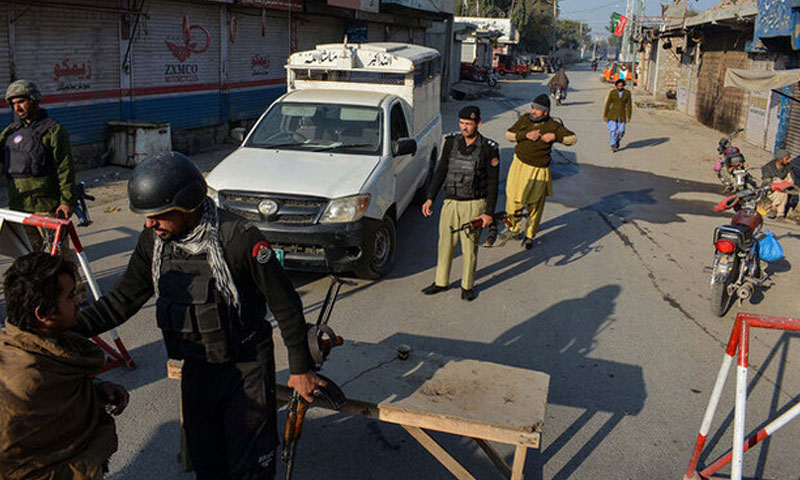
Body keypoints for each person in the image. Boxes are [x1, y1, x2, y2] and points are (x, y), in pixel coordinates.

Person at [73, 152, 324, 480]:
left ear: (188, 203)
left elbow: (285, 304)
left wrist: (300, 367)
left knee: (249, 469)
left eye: (159, 215)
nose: (149, 224)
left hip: (245, 369)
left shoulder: (238, 238)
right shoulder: (156, 241)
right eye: (147, 216)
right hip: (197, 370)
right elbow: (121, 300)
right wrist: (63, 328)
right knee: (207, 465)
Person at [0, 252, 129, 480]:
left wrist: (97, 390)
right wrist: (84, 467)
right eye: (70, 297)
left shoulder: (50, 347)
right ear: (43, 314)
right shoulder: (24, 384)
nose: (79, 301)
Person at [421, 106, 500, 301]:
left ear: (478, 124)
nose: (464, 128)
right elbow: (441, 171)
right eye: (462, 123)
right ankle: (441, 281)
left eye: (469, 124)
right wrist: (430, 197)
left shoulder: (489, 148)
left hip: (474, 204)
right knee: (445, 244)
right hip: (451, 202)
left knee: (469, 247)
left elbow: (492, 183)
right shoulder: (451, 143)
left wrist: (488, 213)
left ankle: (467, 285)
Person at [0, 80, 77, 250]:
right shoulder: (10, 132)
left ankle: (72, 278)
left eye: (21, 102)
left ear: (34, 100)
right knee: (32, 255)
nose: (17, 108)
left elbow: (65, 168)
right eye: (13, 104)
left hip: (47, 207)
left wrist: (66, 201)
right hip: (19, 206)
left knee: (59, 256)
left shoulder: (54, 131)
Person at [504, 94, 577, 249]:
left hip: (539, 170)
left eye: (537, 109)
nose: (533, 111)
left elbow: (572, 138)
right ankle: (513, 229)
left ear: (545, 112)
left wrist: (555, 136)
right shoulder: (524, 119)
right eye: (533, 107)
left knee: (535, 205)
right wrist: (525, 135)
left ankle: (529, 235)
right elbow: (509, 135)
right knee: (513, 200)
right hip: (518, 166)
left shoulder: (553, 125)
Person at [761, 148, 798, 219]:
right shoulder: (768, 168)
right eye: (786, 159)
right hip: (771, 192)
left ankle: (774, 208)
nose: (789, 161)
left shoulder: (788, 167)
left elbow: (791, 180)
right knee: (777, 182)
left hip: (783, 190)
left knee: (782, 192)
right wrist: (776, 185)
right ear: (780, 159)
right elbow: (766, 182)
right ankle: (780, 211)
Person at [603, 78, 632, 152]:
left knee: (621, 131)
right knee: (613, 130)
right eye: (618, 86)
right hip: (612, 114)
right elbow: (608, 104)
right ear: (616, 86)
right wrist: (605, 115)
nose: (620, 87)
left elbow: (629, 105)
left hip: (622, 115)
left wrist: (629, 116)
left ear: (623, 86)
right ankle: (613, 145)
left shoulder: (627, 93)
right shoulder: (612, 92)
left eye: (621, 86)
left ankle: (617, 141)